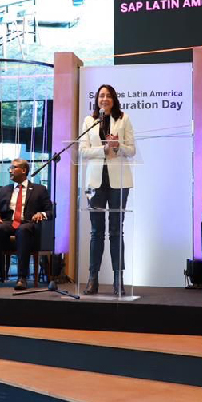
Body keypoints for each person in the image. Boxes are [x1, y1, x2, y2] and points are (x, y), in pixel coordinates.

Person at [79, 84, 135, 295]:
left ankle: (118, 280)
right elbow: (82, 151)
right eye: (101, 95)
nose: (105, 99)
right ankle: (92, 278)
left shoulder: (124, 119)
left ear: (114, 99)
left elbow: (132, 150)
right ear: (97, 99)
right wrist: (103, 149)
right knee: (96, 231)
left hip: (119, 181)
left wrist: (118, 146)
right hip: (94, 182)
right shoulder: (89, 120)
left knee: (116, 230)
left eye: (108, 95)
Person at [0, 159, 53, 290]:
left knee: (22, 230)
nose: (10, 170)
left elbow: (50, 211)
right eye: (10, 168)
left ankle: (22, 278)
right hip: (9, 222)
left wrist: (41, 214)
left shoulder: (39, 189)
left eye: (14, 167)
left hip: (28, 223)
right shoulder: (5, 190)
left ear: (24, 170)